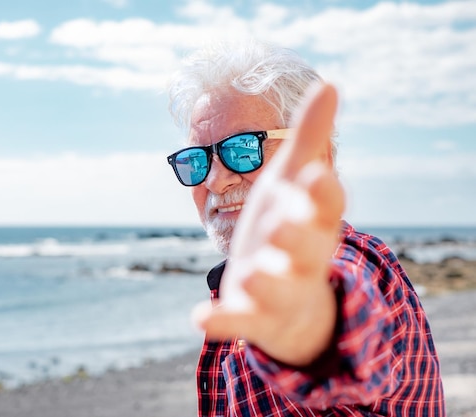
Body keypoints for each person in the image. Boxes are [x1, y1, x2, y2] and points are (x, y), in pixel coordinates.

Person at [165, 39, 445, 416]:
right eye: (196, 160)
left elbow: (341, 312)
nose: (215, 180)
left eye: (244, 149)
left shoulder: (351, 260)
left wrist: (305, 333)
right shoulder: (246, 286)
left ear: (317, 157)